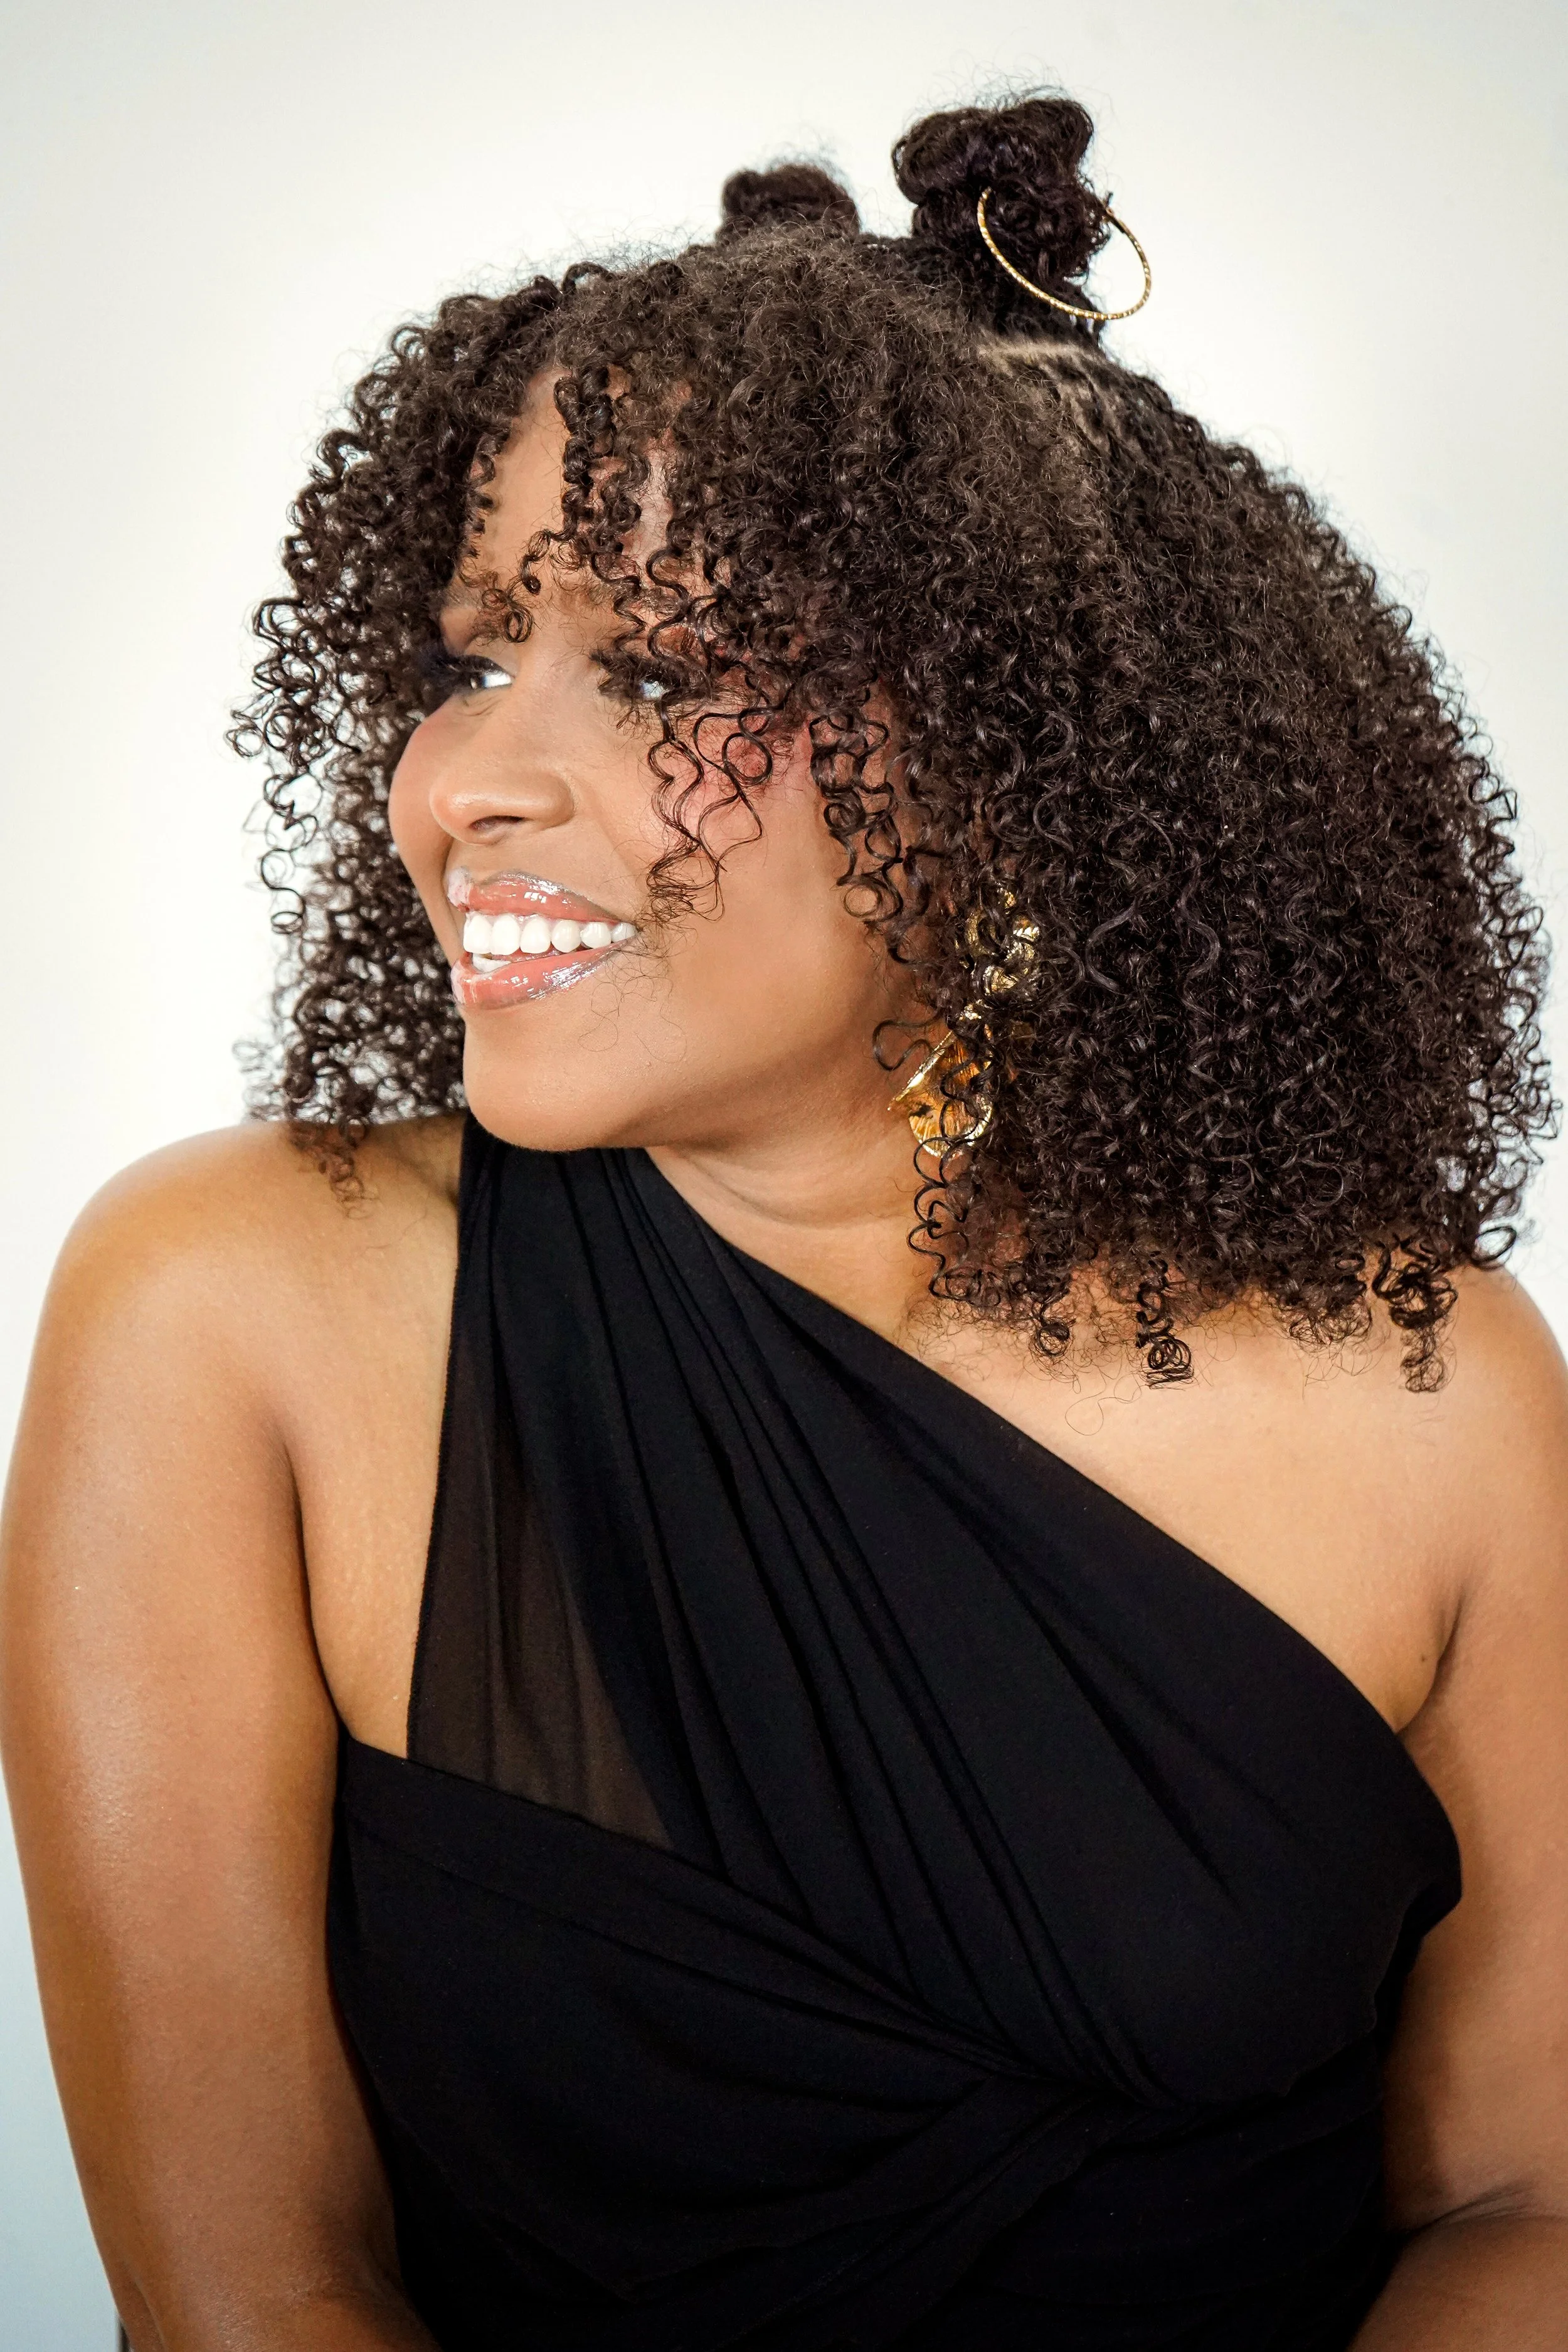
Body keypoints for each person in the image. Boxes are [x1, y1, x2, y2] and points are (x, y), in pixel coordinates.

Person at [3, 90, 1567, 2352]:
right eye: (475, 656)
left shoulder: (1432, 1386)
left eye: (652, 673)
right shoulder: (228, 1315)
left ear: (1013, 761)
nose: (469, 780)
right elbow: (253, 2293)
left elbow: (1523, 2200)